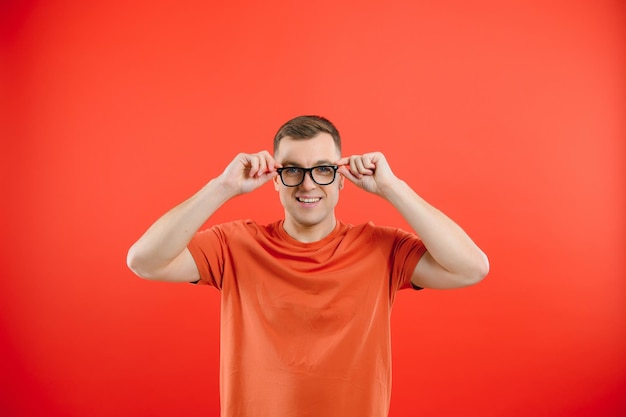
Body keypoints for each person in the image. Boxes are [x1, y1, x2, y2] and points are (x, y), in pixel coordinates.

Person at [127, 115, 489, 417]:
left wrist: (392, 188)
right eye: (293, 170)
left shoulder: (381, 248)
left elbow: (471, 268)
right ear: (275, 179)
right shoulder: (235, 246)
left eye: (322, 169)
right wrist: (222, 187)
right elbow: (144, 261)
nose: (307, 184)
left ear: (342, 177)